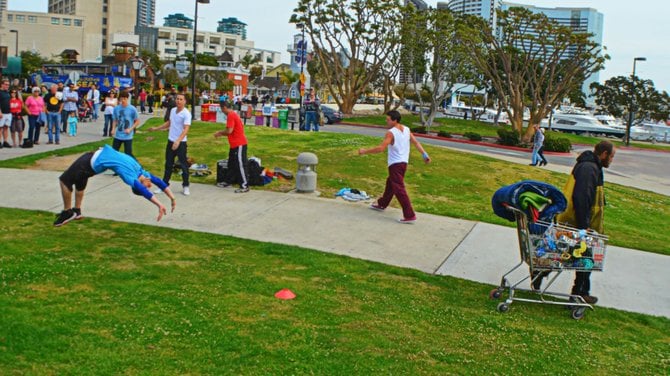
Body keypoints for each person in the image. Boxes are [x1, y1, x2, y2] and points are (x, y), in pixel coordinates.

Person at [54, 144, 177, 227]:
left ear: (138, 186)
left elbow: (144, 192)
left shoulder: (129, 177)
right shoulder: (141, 172)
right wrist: (172, 197)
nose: (150, 185)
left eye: (147, 186)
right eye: (149, 185)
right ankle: (77, 210)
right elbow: (160, 182)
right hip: (94, 161)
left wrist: (159, 205)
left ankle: (67, 212)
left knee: (64, 180)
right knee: (80, 179)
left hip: (90, 163)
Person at [557, 141, 616, 305]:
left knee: (585, 259)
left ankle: (581, 292)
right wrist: (584, 226)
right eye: (611, 156)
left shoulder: (591, 166)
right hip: (578, 222)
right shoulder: (589, 168)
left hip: (581, 221)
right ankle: (579, 293)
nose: (611, 160)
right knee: (585, 258)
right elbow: (582, 197)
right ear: (603, 154)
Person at [358, 110, 431, 223]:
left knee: (399, 189)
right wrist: (424, 154)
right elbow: (416, 142)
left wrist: (364, 151)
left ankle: (409, 215)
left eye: (388, 119)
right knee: (391, 183)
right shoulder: (406, 129)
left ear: (395, 120)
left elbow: (381, 148)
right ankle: (382, 204)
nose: (386, 121)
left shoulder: (391, 132)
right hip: (403, 163)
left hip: (395, 165)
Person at [148, 93, 192, 196]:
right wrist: (157, 128)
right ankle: (164, 185)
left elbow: (186, 129)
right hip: (170, 141)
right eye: (177, 99)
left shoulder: (186, 114)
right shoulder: (172, 111)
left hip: (181, 143)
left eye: (181, 99)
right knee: (168, 164)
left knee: (183, 165)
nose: (178, 101)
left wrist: (178, 141)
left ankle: (186, 186)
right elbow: (169, 123)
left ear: (185, 101)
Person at [214, 101, 249, 193]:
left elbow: (229, 130)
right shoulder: (233, 114)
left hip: (239, 144)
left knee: (240, 164)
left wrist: (220, 133)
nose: (222, 111)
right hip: (234, 144)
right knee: (232, 164)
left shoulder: (231, 115)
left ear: (224, 107)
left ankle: (244, 185)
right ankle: (228, 181)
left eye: (221, 109)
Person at [112, 91, 140, 158]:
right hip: (118, 134)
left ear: (127, 98)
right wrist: (113, 129)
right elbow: (115, 120)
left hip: (127, 135)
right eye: (121, 99)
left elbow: (137, 121)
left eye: (125, 99)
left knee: (128, 153)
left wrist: (130, 129)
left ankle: (136, 166)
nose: (123, 100)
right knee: (114, 152)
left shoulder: (132, 109)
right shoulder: (116, 108)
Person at [0, 79, 11, 148]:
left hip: (8, 113)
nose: (7, 86)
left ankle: (5, 141)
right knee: (0, 128)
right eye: (6, 84)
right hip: (2, 113)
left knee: (6, 127)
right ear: (2, 84)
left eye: (8, 85)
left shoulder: (7, 92)